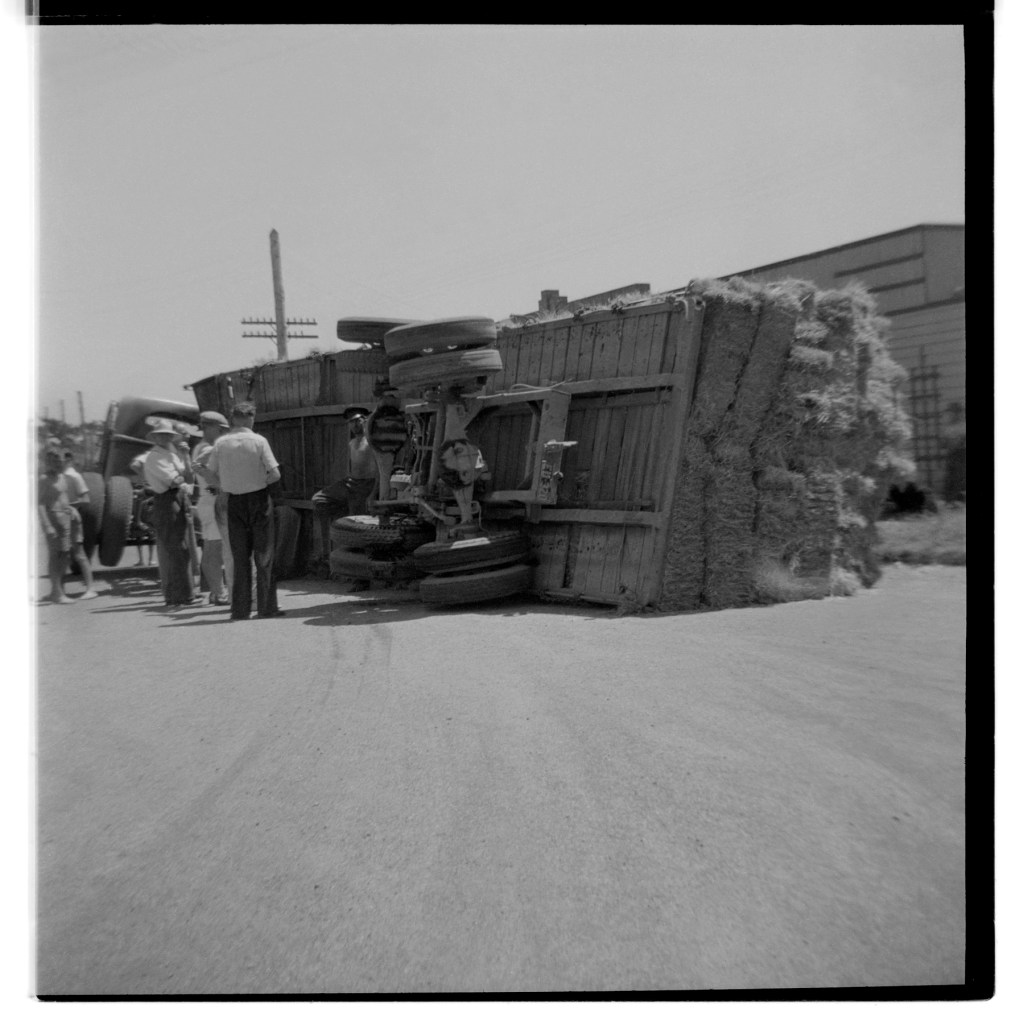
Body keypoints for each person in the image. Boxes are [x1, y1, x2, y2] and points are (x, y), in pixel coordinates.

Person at [207, 402, 284, 620]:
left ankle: (240, 609)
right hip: (259, 500)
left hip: (234, 501)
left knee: (240, 557)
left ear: (232, 419)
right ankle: (267, 607)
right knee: (264, 555)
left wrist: (225, 484)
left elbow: (210, 474)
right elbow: (275, 474)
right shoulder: (259, 441)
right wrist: (261, 481)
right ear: (251, 418)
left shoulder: (221, 443)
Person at [142, 418, 199, 609]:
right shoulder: (154, 457)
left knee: (183, 549)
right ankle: (176, 596)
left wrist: (186, 456)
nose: (164, 437)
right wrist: (184, 472)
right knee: (175, 550)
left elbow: (188, 477)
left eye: (167, 434)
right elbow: (175, 481)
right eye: (160, 435)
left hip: (178, 498)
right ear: (154, 437)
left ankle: (185, 594)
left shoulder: (170, 455)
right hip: (166, 501)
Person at [310, 406, 376, 562]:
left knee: (359, 528)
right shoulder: (352, 443)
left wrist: (373, 493)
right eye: (350, 422)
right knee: (318, 499)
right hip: (351, 483)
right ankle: (344, 509)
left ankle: (360, 572)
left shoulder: (372, 441)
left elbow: (380, 471)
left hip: (367, 485)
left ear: (366, 421)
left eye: (357, 421)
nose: (354, 425)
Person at [37, 443, 97, 602]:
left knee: (63, 556)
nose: (56, 463)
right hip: (54, 521)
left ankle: (58, 592)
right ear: (46, 462)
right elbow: (40, 504)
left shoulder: (62, 477)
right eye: (52, 461)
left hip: (65, 520)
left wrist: (71, 508)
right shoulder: (44, 479)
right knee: (56, 556)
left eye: (58, 461)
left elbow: (66, 499)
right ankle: (57, 592)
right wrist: (48, 525)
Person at [190, 411, 231, 605]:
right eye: (221, 430)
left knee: (214, 547)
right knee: (214, 550)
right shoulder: (206, 449)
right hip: (212, 500)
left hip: (210, 500)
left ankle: (216, 591)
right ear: (209, 428)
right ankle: (219, 593)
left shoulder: (202, 447)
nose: (223, 434)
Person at [60, 448, 99, 596]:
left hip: (71, 517)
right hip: (60, 518)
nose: (58, 462)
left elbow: (86, 499)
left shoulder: (74, 476)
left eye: (61, 459)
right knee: (62, 555)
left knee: (79, 554)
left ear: (69, 460)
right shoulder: (58, 476)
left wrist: (68, 505)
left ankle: (90, 589)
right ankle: (60, 590)